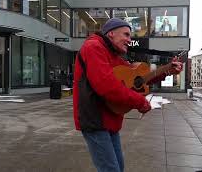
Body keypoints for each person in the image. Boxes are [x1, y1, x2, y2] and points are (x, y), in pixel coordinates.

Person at [73, 18, 183, 172]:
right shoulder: (93, 47)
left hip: (109, 119)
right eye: (126, 35)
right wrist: (141, 102)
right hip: (95, 120)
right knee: (111, 169)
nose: (129, 40)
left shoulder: (114, 55)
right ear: (111, 33)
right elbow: (108, 87)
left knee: (118, 168)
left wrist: (167, 70)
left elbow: (139, 77)